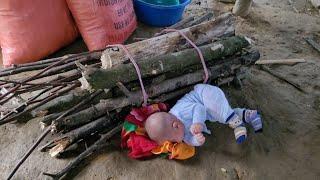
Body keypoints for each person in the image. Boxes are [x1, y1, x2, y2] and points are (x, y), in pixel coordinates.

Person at [144, 84, 262, 146]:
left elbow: (198, 107)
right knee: (220, 115)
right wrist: (197, 141)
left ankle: (238, 125)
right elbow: (189, 139)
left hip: (205, 95)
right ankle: (250, 115)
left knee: (220, 113)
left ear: (176, 125)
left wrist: (197, 122)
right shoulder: (179, 131)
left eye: (174, 140)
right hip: (208, 111)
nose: (177, 142)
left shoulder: (179, 112)